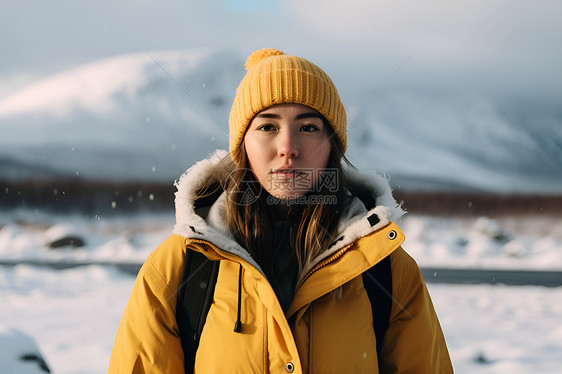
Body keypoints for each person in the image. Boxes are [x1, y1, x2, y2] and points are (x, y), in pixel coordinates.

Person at [109, 48, 453, 373]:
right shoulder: (177, 268)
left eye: (308, 128)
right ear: (242, 144)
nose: (288, 148)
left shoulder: (386, 270)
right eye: (267, 126)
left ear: (332, 145)